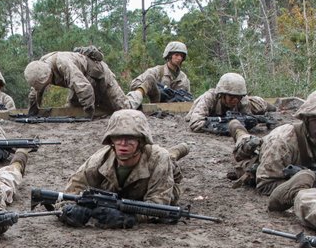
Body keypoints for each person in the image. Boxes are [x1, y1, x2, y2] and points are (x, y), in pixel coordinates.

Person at [57, 109, 188, 229]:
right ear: (111, 141)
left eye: (130, 138)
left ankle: (175, 153)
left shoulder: (159, 160)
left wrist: (130, 218)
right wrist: (69, 210)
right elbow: (71, 191)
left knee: (168, 164)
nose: (123, 144)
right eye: (118, 137)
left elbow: (159, 205)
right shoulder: (99, 160)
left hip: (151, 188)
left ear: (141, 141)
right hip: (117, 194)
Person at [251, 89, 316, 208]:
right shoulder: (282, 141)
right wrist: (313, 187)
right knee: (245, 141)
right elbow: (264, 185)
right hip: (260, 154)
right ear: (306, 119)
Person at [23, 47, 136, 117]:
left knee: (125, 109)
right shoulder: (39, 69)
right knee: (72, 109)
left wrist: (88, 114)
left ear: (49, 75)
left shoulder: (63, 64)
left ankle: (139, 91)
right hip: (83, 82)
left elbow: (84, 88)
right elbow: (35, 92)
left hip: (100, 76)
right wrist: (33, 111)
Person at [185, 73, 272, 134]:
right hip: (211, 117)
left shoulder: (242, 100)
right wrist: (223, 127)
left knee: (260, 105)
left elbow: (246, 118)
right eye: (231, 96)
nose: (235, 100)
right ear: (222, 94)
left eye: (238, 97)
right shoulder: (209, 98)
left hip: (253, 103)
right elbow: (195, 123)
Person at [126, 41, 192, 107]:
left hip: (178, 111)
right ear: (169, 55)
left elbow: (189, 99)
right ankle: (130, 104)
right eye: (176, 55)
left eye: (181, 56)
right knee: (150, 79)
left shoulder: (183, 79)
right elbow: (134, 84)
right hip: (156, 108)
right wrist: (157, 91)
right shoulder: (157, 71)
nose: (179, 58)